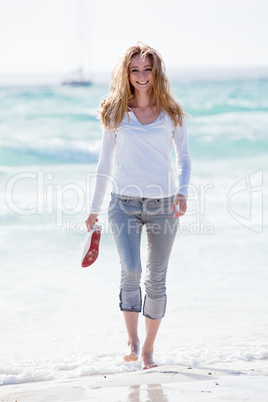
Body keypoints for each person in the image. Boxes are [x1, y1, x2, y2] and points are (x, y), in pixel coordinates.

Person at [85, 43, 191, 370]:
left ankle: (147, 350)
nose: (142, 76)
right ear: (127, 74)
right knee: (131, 269)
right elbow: (105, 166)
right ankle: (130, 340)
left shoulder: (171, 112)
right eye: (135, 70)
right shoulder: (116, 113)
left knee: (156, 278)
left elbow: (184, 159)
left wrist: (182, 192)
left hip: (164, 205)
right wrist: (93, 209)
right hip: (123, 205)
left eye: (147, 69)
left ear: (155, 72)